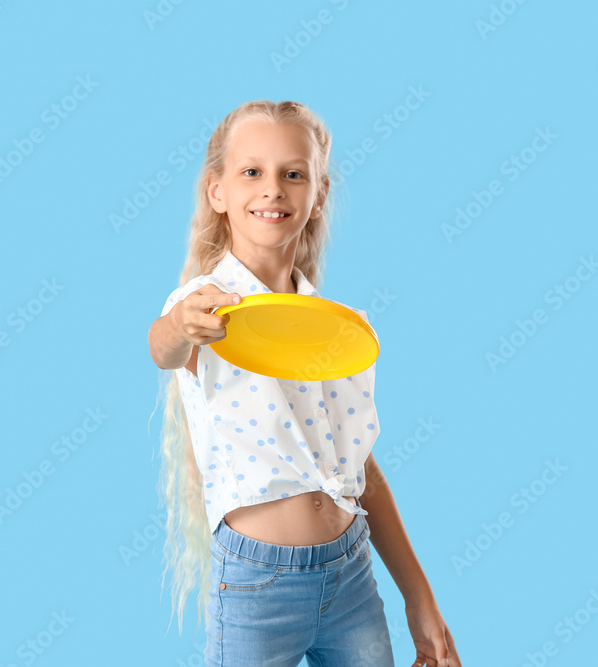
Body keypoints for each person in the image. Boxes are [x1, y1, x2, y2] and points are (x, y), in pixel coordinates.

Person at [148, 100, 461, 667]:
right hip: (256, 587)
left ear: (317, 196)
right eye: (252, 172)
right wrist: (180, 325)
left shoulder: (334, 329)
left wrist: (420, 598)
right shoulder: (207, 306)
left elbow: (360, 469)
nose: (273, 189)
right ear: (217, 191)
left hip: (351, 575)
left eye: (294, 174)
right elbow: (163, 348)